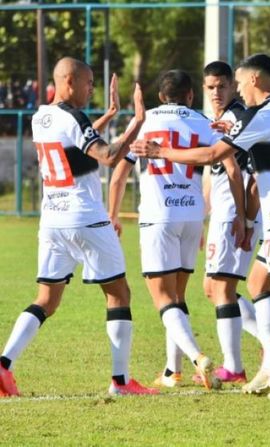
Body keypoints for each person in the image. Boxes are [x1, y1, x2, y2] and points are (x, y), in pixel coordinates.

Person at [131, 53, 270, 403]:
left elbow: (210, 156)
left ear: (252, 81)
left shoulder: (262, 116)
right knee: (260, 285)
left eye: (239, 85)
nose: (238, 94)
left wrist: (162, 151)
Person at [0, 57, 157, 397]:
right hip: (85, 217)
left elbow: (74, 142)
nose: (92, 89)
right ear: (70, 81)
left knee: (46, 299)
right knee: (118, 293)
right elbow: (108, 156)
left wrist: (112, 115)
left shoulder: (41, 116)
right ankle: (120, 382)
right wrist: (137, 123)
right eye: (88, 83)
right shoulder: (74, 117)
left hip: (53, 220)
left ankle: (3, 364)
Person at [109, 69, 229, 391]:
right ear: (190, 95)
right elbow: (225, 160)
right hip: (192, 215)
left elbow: (119, 176)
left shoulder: (145, 122)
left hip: (159, 215)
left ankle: (197, 357)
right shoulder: (203, 121)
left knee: (162, 298)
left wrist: (113, 215)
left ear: (161, 96)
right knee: (177, 296)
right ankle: (171, 371)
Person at [201, 61, 260, 384]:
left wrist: (242, 217)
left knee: (222, 287)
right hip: (226, 211)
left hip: (232, 212)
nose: (216, 92)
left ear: (233, 87)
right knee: (212, 287)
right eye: (210, 87)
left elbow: (237, 172)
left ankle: (234, 367)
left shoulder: (234, 119)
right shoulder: (223, 119)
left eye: (222, 86)